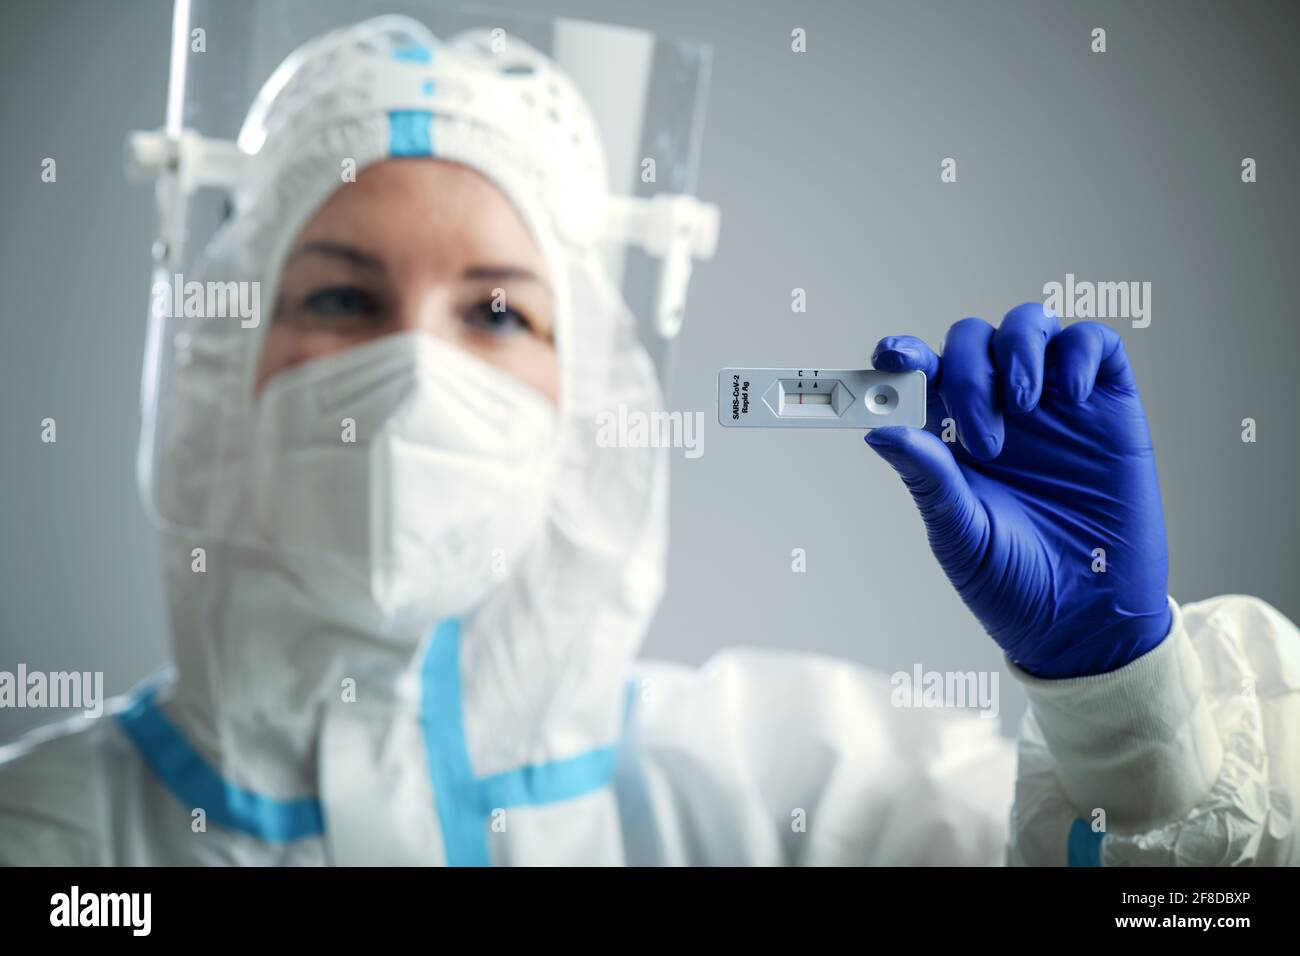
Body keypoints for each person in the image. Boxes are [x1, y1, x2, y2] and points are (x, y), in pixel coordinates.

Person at [0, 15, 1295, 866]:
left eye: (498, 309)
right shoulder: (54, 836)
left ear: (590, 396)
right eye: (341, 296)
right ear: (220, 371)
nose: (417, 372)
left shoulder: (783, 784)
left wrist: (1124, 715)